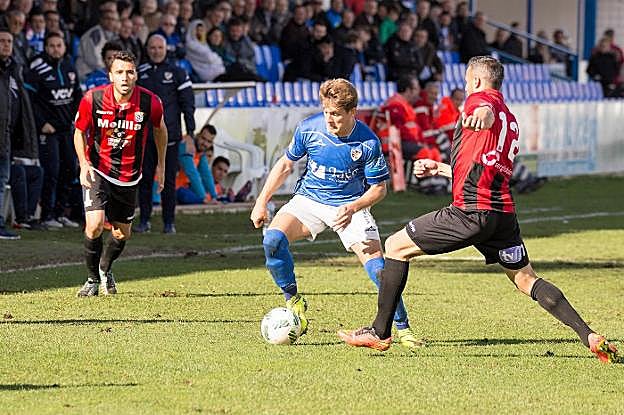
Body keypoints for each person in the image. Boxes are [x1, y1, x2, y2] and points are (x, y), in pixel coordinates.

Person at [337, 56, 620, 364]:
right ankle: (589, 335)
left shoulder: (481, 102)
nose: (466, 86)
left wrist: (480, 115)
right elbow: (484, 168)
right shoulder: (510, 119)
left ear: (476, 81)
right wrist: (440, 168)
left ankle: (379, 332)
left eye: (467, 81)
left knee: (395, 246)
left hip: (470, 212)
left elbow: (484, 110)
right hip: (502, 215)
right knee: (526, 280)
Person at [250, 78, 422, 349]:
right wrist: (262, 201)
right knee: (272, 240)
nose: (329, 119)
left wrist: (353, 207)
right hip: (309, 199)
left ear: (353, 112)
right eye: (326, 112)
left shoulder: (368, 141)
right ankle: (294, 300)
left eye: (336, 114)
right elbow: (285, 165)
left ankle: (403, 328)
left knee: (379, 270)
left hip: (350, 205)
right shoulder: (309, 128)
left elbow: (379, 189)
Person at [73, 50, 167, 297]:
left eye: (130, 72)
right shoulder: (92, 99)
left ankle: (105, 268)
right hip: (98, 169)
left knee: (121, 233)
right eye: (119, 72)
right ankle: (92, 280)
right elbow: (79, 131)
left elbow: (160, 130)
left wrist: (161, 165)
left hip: (129, 176)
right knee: (94, 225)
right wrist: (84, 163)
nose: (125, 77)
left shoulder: (150, 102)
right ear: (110, 76)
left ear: (136, 75)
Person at [135, 34, 195, 234]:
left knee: (168, 180)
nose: (156, 51)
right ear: (147, 49)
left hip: (169, 136)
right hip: (144, 136)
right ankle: (144, 221)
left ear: (166, 49)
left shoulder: (178, 72)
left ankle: (169, 223)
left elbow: (188, 104)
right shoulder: (139, 72)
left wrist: (190, 132)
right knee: (144, 179)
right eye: (152, 48)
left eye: (160, 47)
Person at [24, 32, 82, 228]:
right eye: (52, 45)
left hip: (67, 129)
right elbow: (30, 101)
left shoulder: (70, 68)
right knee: (52, 171)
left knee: (69, 170)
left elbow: (77, 97)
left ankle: (60, 213)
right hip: (48, 131)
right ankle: (46, 215)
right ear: (46, 48)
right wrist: (41, 123)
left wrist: (76, 118)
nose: (56, 49)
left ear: (64, 48)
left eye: (59, 45)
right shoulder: (37, 69)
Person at [0, 28, 38, 239]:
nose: (6, 45)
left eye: (9, 41)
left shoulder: (14, 70)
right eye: (2, 41)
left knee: (2, 180)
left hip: (6, 137)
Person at [176, 124, 218, 204]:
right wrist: (204, 198)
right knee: (186, 195)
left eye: (209, 141)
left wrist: (214, 196)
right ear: (198, 135)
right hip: (171, 187)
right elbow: (191, 172)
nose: (205, 143)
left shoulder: (201, 151)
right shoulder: (186, 144)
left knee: (202, 193)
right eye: (203, 138)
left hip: (185, 187)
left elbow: (206, 174)